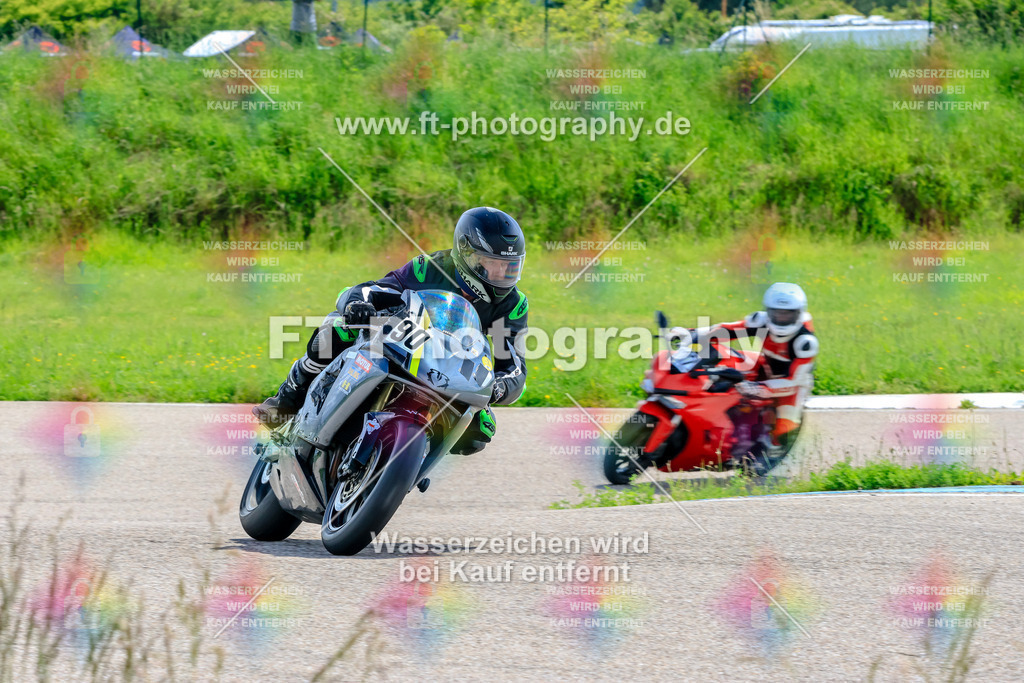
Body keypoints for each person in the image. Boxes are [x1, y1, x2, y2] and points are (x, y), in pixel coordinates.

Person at [252, 207, 529, 454]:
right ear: (467, 254)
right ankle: (287, 399)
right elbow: (381, 287)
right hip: (405, 341)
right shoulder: (429, 268)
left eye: (509, 267)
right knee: (336, 330)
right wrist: (359, 303)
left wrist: (499, 387)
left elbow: (515, 367)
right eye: (494, 264)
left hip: (454, 370)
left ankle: (406, 460)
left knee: (480, 429)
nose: (502, 274)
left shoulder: (513, 304)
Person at [695, 282, 817, 454]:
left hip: (791, 383)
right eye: (777, 313)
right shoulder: (760, 321)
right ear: (768, 311)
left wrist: (758, 388)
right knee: (722, 371)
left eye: (788, 314)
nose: (782, 318)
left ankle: (767, 455)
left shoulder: (806, 342)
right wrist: (693, 334)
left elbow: (793, 382)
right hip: (764, 365)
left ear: (799, 313)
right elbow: (728, 330)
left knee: (785, 428)